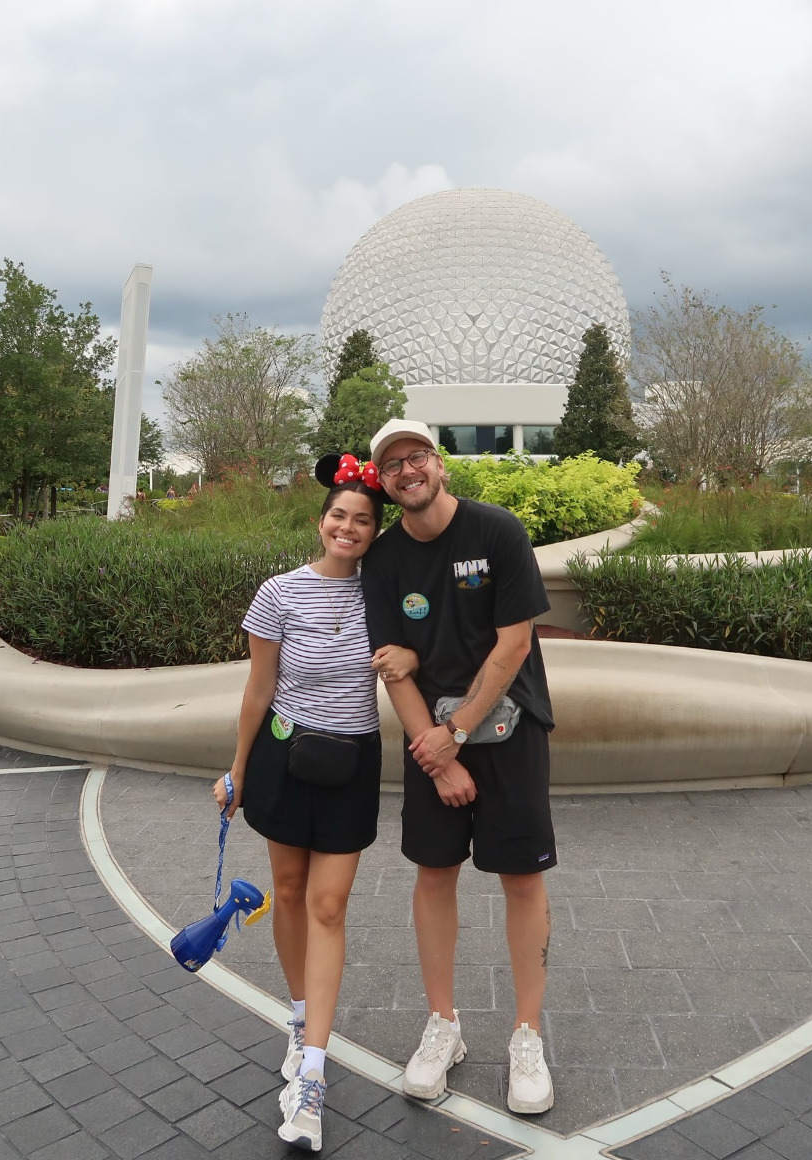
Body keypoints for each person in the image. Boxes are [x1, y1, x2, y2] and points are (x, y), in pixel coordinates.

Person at [213, 454, 416, 1152]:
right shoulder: (279, 594)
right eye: (339, 516)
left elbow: (412, 661)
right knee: (291, 891)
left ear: (373, 532)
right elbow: (257, 689)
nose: (348, 528)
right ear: (320, 521)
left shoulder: (383, 595)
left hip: (352, 762)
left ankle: (313, 1077)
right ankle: (300, 1019)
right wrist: (236, 771)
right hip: (282, 757)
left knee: (330, 905)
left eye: (362, 520)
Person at [361, 418, 557, 1115]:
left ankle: (527, 1036)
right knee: (434, 874)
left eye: (415, 457)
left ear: (438, 465)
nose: (406, 471)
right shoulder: (382, 562)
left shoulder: (496, 532)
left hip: (507, 729)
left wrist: (459, 732)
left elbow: (511, 647)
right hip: (432, 744)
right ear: (382, 482)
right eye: (392, 465)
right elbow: (392, 666)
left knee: (521, 879)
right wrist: (438, 758)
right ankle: (443, 1025)